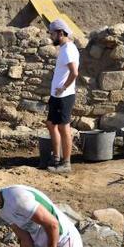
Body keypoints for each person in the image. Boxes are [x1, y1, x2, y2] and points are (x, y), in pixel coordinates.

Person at [44, 19, 80, 173]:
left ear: (60, 33)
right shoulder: (65, 48)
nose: (51, 37)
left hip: (63, 96)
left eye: (52, 34)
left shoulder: (68, 50)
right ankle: (56, 158)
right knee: (51, 124)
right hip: (57, 95)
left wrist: (63, 88)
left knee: (64, 128)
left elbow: (74, 73)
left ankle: (66, 163)